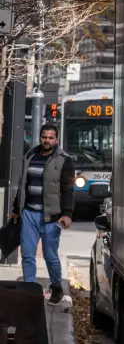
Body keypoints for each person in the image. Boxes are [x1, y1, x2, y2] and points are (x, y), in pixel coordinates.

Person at [8, 124, 75, 304]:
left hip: (51, 216)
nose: (47, 140)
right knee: (28, 254)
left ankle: (56, 287)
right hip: (29, 213)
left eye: (51, 138)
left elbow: (68, 189)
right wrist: (16, 210)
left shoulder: (64, 160)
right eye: (44, 137)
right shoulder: (29, 156)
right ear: (40, 138)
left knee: (50, 255)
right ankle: (30, 290)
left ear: (56, 139)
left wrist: (67, 214)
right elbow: (23, 186)